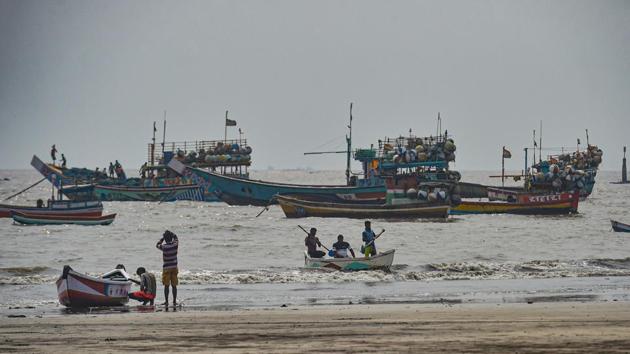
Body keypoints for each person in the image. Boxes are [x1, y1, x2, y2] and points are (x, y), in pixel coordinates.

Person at [156, 230, 179, 306]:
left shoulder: (164, 247)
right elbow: (176, 238)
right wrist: (172, 234)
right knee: (174, 285)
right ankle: (174, 301)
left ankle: (166, 301)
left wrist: (162, 238)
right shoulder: (175, 245)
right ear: (171, 238)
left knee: (166, 285)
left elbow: (157, 245)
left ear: (165, 239)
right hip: (174, 267)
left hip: (166, 268)